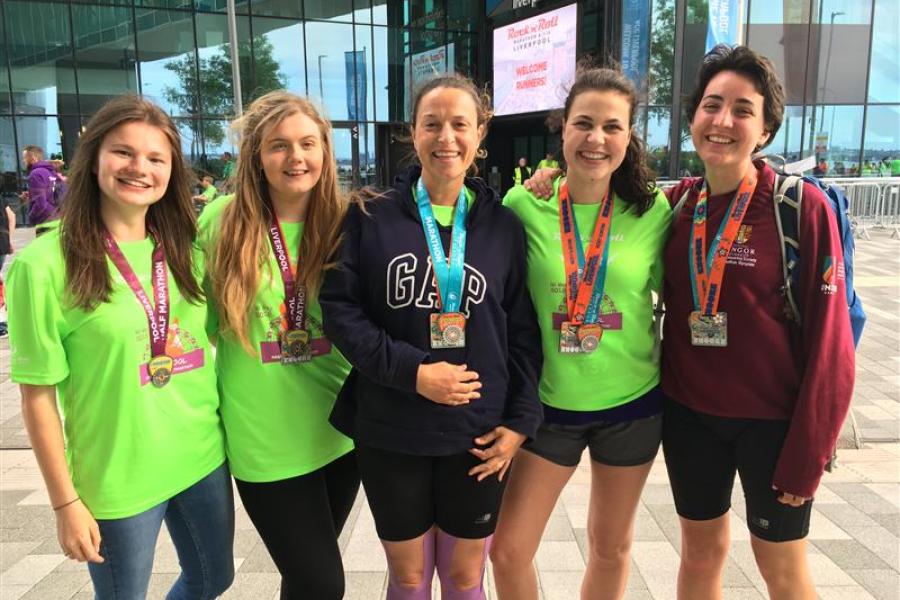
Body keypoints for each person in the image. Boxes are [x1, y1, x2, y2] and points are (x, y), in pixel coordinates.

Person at [319, 74, 543, 600]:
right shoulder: (368, 216)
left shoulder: (503, 226)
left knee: (466, 578)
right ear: (412, 134)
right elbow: (341, 312)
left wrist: (521, 422)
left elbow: (523, 334)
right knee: (410, 577)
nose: (446, 137)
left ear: (480, 133)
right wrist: (413, 372)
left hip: (479, 435)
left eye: (460, 124)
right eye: (432, 124)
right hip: (393, 429)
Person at [7, 96, 234, 599]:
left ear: (172, 171)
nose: (140, 168)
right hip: (117, 475)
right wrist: (65, 503)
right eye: (123, 152)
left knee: (214, 577)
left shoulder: (186, 249)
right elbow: (37, 395)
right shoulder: (44, 265)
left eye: (156, 158)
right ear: (93, 158)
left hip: (201, 456)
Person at [661, 45, 854, 599]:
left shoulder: (799, 208)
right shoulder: (677, 205)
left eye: (742, 110)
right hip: (689, 417)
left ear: (765, 130)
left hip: (774, 426)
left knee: (782, 570)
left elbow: (832, 345)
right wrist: (544, 179)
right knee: (699, 555)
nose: (723, 122)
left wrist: (810, 454)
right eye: (711, 105)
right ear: (693, 116)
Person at [490, 66, 672, 600]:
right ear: (562, 130)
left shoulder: (651, 210)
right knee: (508, 549)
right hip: (548, 409)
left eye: (612, 127)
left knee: (610, 547)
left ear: (628, 137)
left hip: (632, 406)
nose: (597, 139)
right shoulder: (525, 204)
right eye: (584, 124)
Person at [199, 91, 359, 599]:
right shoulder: (221, 222)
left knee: (305, 580)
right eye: (279, 146)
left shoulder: (349, 221)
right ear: (256, 155)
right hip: (264, 440)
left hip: (339, 433)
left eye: (308, 144)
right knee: (322, 582)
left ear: (325, 152)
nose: (296, 158)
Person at [21, 145, 65, 233]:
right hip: (57, 218)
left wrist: (31, 217)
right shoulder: (50, 171)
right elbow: (52, 194)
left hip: (45, 221)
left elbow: (40, 203)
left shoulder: (35, 174)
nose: (23, 161)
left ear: (33, 157)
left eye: (25, 157)